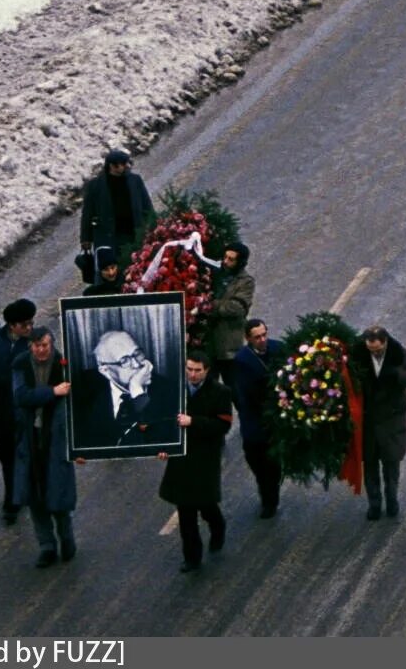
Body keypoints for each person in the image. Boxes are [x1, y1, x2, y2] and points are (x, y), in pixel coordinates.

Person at [158, 354, 233, 573]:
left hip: (204, 457)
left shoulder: (221, 393)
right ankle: (192, 557)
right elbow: (164, 421)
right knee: (185, 510)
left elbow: (223, 426)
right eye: (189, 369)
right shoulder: (175, 390)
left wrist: (194, 422)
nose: (192, 374)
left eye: (197, 370)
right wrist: (163, 447)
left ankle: (217, 527)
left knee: (206, 504)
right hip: (181, 458)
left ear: (207, 370)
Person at [11, 327, 77, 566]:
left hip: (56, 439)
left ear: (52, 345)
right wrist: (52, 391)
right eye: (37, 346)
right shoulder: (20, 364)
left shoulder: (63, 364)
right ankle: (47, 545)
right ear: (30, 346)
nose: (41, 350)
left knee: (57, 492)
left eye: (45, 346)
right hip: (30, 439)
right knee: (34, 496)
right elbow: (21, 396)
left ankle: (66, 537)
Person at [351, 324, 406, 521]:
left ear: (385, 343)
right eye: (371, 350)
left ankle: (392, 500)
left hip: (392, 422)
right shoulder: (357, 354)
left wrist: (396, 375)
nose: (374, 353)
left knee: (391, 464)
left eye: (378, 350)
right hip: (368, 422)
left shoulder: (399, 354)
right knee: (370, 465)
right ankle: (374, 504)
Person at [70, 329, 178, 451]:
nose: (137, 364)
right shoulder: (85, 389)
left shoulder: (168, 389)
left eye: (137, 353)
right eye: (124, 360)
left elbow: (162, 441)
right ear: (105, 370)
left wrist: (138, 392)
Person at [0, 298, 39, 523]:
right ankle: (14, 495)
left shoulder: (36, 343)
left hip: (25, 412)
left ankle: (17, 499)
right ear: (12, 325)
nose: (29, 328)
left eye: (31, 323)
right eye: (24, 324)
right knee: (6, 458)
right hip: (0, 411)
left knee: (26, 456)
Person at [231, 319, 284, 518]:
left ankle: (270, 499)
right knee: (256, 461)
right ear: (248, 339)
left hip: (276, 420)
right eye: (257, 337)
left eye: (264, 335)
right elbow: (250, 393)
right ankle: (267, 490)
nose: (262, 340)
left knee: (272, 465)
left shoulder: (278, 348)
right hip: (255, 419)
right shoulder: (243, 360)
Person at [78, 148, 155, 269]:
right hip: (109, 236)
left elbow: (147, 205)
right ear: (110, 166)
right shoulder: (96, 186)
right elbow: (87, 213)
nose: (123, 167)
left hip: (134, 232)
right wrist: (85, 238)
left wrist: (154, 226)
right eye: (119, 164)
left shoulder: (135, 180)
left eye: (125, 164)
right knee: (112, 270)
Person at [206, 242, 255, 384]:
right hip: (210, 346)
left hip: (229, 347)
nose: (225, 262)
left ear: (240, 263)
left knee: (235, 390)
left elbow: (237, 308)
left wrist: (211, 306)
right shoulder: (215, 275)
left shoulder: (246, 282)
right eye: (225, 257)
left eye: (231, 259)